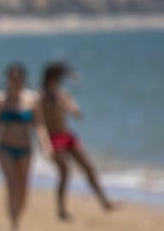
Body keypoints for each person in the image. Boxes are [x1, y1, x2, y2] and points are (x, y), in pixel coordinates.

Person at [39, 62, 114, 220]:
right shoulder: (42, 96)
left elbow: (75, 112)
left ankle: (104, 201)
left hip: (67, 135)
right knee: (64, 172)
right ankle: (61, 210)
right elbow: (39, 123)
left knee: (88, 167)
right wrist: (45, 143)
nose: (60, 79)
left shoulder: (62, 93)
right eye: (59, 76)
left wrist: (73, 108)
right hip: (53, 138)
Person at [0, 63, 50, 231]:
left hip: (26, 148)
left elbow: (40, 125)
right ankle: (13, 222)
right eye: (12, 78)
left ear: (24, 79)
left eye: (19, 78)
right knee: (11, 184)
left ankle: (18, 216)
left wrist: (46, 144)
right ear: (7, 79)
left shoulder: (33, 99)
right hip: (5, 148)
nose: (15, 81)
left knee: (23, 186)